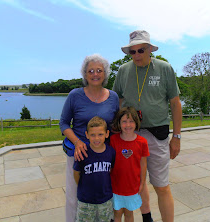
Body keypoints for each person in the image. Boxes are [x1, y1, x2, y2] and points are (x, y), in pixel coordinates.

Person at [113, 30, 182, 222]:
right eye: (132, 52)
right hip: (130, 135)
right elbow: (116, 99)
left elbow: (175, 103)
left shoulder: (164, 68)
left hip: (157, 134)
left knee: (161, 185)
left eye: (141, 50)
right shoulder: (123, 70)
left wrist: (176, 137)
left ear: (150, 49)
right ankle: (147, 218)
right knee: (137, 183)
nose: (136, 55)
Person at [59, 54, 119, 222]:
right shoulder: (74, 95)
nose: (95, 74)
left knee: (103, 197)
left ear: (105, 74)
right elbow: (63, 123)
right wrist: (77, 142)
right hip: (80, 155)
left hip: (103, 157)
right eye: (90, 71)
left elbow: (115, 126)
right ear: (85, 75)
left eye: (99, 70)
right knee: (74, 197)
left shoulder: (113, 97)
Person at [110, 107, 149, 222]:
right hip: (116, 185)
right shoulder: (113, 140)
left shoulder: (142, 142)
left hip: (132, 186)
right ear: (119, 123)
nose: (128, 125)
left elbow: (143, 164)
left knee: (129, 213)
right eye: (124, 121)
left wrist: (142, 182)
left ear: (136, 122)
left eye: (131, 121)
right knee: (116, 213)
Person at [73, 116, 115, 222]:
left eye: (100, 134)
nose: (96, 138)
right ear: (87, 135)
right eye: (93, 135)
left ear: (107, 134)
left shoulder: (111, 152)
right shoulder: (83, 152)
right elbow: (76, 173)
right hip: (85, 202)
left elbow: (111, 172)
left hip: (106, 201)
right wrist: (83, 188)